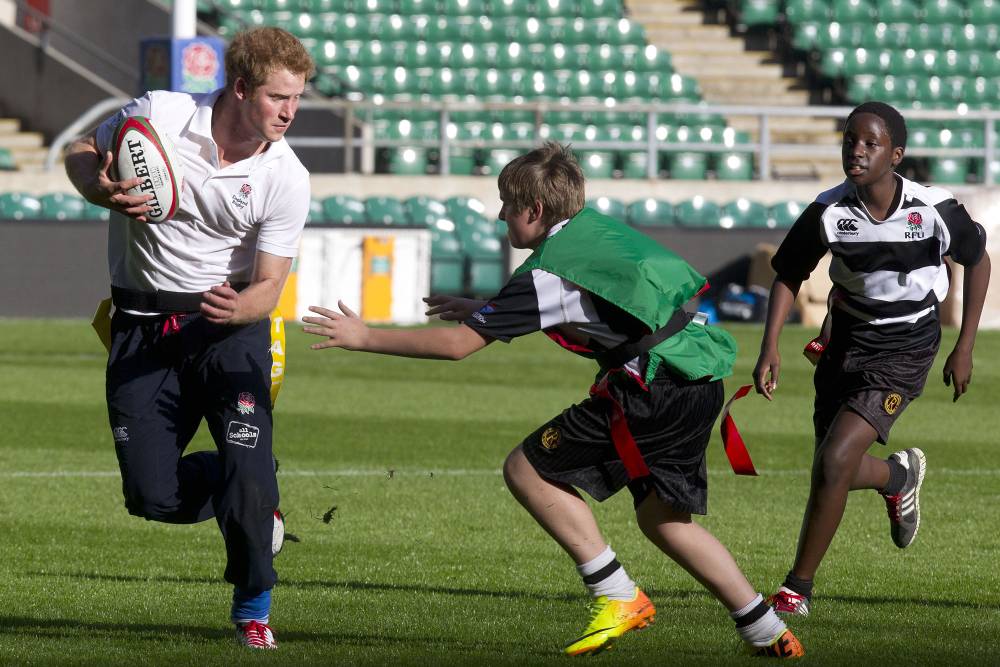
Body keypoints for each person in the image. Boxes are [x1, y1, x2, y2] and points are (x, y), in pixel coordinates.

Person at [303, 142, 805, 658]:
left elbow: (459, 347)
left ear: (534, 211)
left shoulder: (546, 274)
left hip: (650, 390)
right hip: (697, 378)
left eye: (505, 204)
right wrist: (485, 309)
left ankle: (617, 595)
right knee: (663, 520)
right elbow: (599, 302)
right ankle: (766, 630)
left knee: (526, 468)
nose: (501, 215)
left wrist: (366, 338)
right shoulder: (595, 231)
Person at [63, 27, 314, 649]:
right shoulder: (160, 115)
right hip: (141, 330)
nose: (290, 112)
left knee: (249, 476)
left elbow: (269, 287)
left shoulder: (287, 175)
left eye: (297, 98)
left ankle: (253, 609)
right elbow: (79, 148)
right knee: (152, 495)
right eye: (278, 97)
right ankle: (247, 481)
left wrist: (241, 310)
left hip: (230, 329)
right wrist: (95, 187)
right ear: (239, 88)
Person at [753, 101, 990, 616]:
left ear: (896, 154)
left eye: (870, 143)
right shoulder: (829, 210)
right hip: (844, 340)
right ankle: (897, 477)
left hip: (906, 346)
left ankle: (797, 589)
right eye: (849, 141)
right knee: (829, 466)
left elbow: (978, 260)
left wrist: (964, 345)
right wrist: (769, 346)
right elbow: (789, 274)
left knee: (835, 460)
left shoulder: (933, 209)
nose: (856, 151)